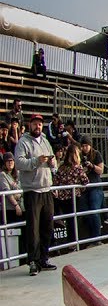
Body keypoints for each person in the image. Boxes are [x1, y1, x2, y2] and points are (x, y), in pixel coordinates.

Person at [14, 114, 57, 276]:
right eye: (34, 124)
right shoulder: (23, 142)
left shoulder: (46, 141)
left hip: (47, 188)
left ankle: (44, 258)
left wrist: (53, 164)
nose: (37, 127)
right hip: (32, 190)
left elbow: (54, 164)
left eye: (39, 124)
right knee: (33, 228)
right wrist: (36, 161)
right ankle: (33, 261)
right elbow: (19, 163)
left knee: (47, 226)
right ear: (30, 125)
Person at [53, 143, 88, 244]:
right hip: (73, 197)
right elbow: (85, 181)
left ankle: (71, 243)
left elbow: (56, 181)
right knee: (73, 221)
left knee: (69, 220)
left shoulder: (61, 167)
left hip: (63, 198)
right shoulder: (77, 168)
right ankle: (73, 243)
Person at [79, 138, 105, 242]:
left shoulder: (96, 154)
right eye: (83, 146)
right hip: (84, 188)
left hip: (95, 186)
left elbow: (101, 170)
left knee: (94, 211)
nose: (84, 148)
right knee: (84, 213)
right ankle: (90, 237)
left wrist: (92, 166)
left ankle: (97, 238)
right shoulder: (79, 155)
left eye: (86, 145)